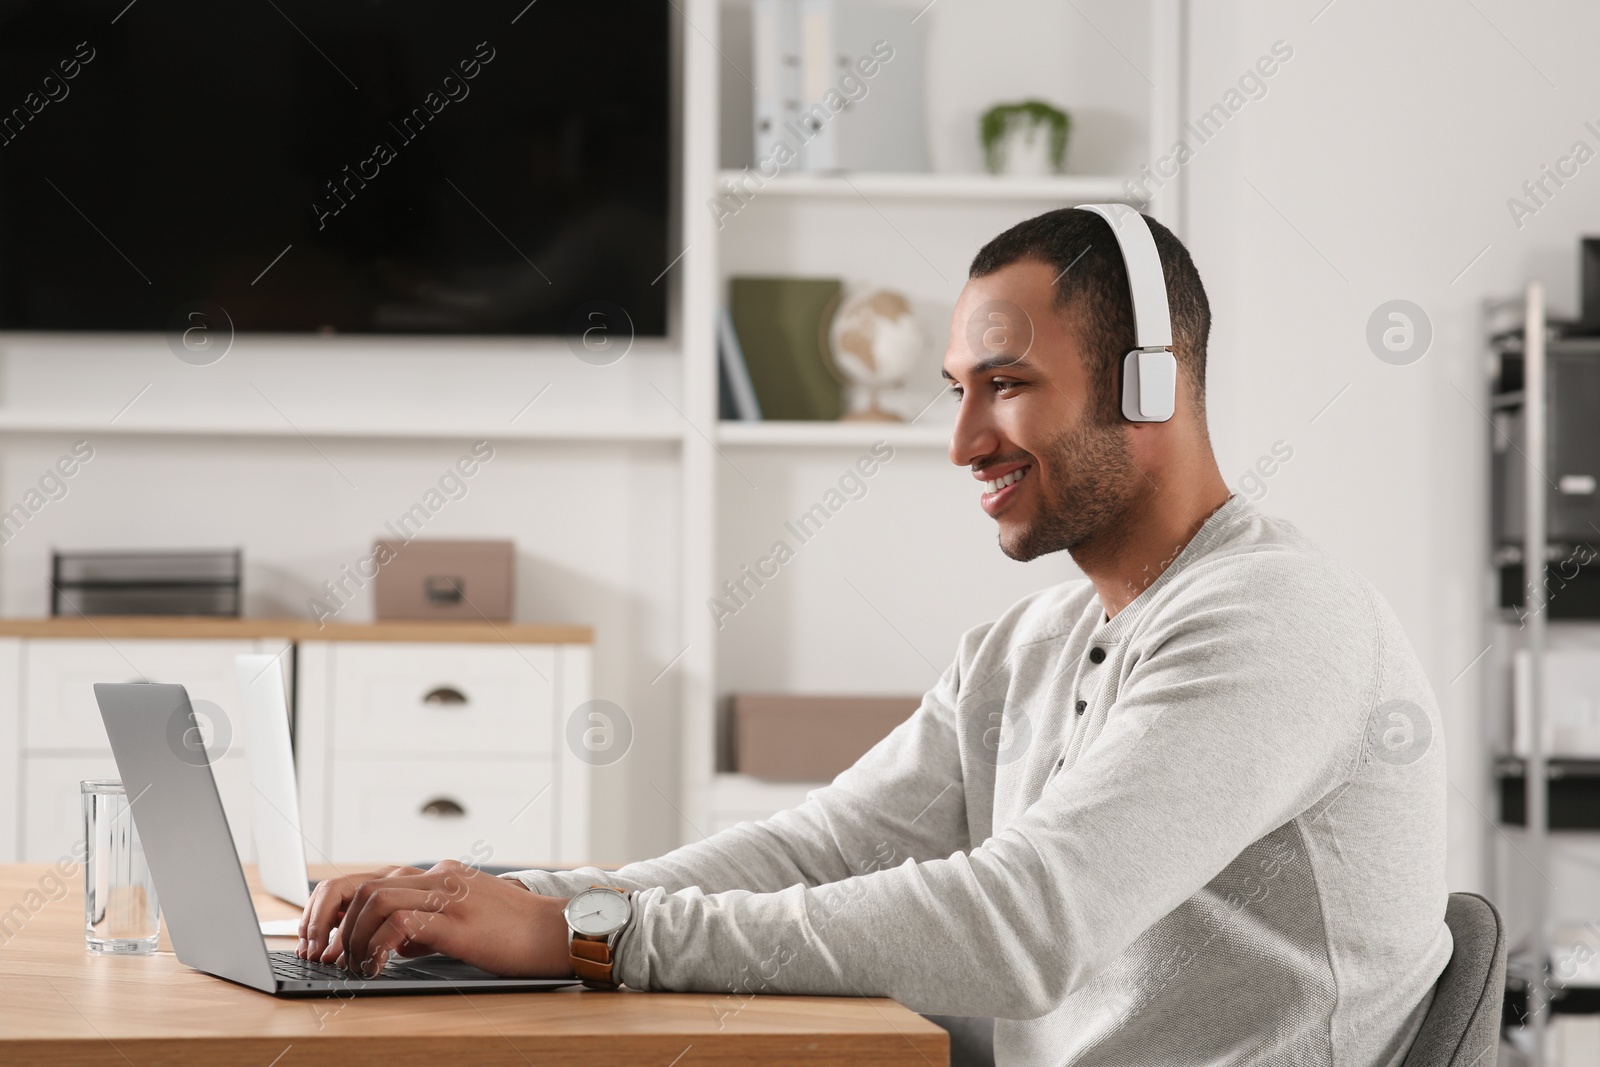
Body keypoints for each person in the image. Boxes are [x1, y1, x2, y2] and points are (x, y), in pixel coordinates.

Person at [298, 207, 1451, 1066]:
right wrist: (480, 899)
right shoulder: (1023, 646)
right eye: (957, 388)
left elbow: (1024, 924)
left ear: (1150, 385)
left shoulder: (1279, 616)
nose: (960, 442)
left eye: (1004, 385)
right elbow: (812, 851)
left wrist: (585, 933)